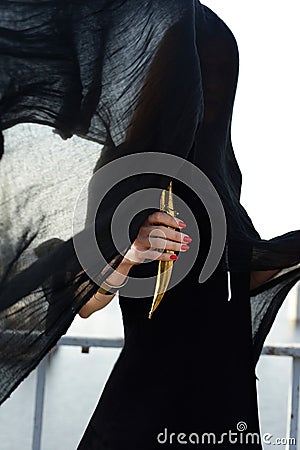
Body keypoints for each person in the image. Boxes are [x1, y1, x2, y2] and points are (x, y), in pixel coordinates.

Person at [0, 1, 300, 449]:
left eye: (224, 71)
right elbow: (85, 299)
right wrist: (131, 253)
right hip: (153, 404)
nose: (213, 84)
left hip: (227, 402)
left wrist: (290, 251)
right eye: (202, 68)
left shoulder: (223, 174)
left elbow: (233, 280)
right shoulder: (128, 165)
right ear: (175, 75)